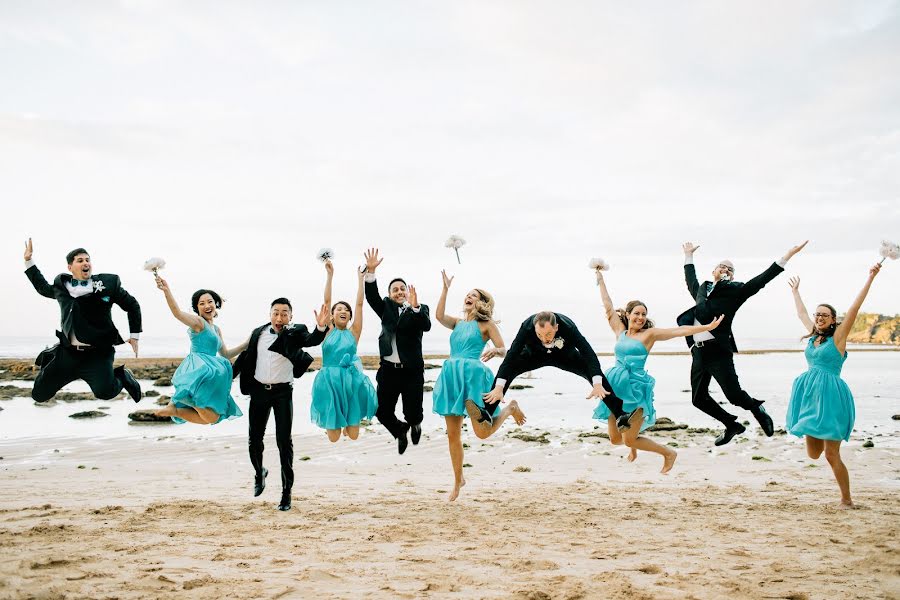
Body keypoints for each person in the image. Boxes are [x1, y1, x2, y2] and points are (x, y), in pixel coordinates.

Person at [677, 240, 808, 445]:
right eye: (722, 266)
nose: (725, 269)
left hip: (718, 351)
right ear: (714, 270)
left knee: (734, 396)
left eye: (729, 269)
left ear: (732, 276)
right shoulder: (702, 289)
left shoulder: (736, 292)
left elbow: (761, 280)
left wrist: (787, 255)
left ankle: (757, 409)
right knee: (698, 399)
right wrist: (688, 255)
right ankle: (731, 425)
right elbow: (690, 279)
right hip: (699, 352)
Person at [594, 269, 723, 473]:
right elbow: (608, 307)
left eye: (644, 314)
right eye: (636, 313)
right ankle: (635, 446)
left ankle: (668, 453)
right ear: (627, 315)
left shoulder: (650, 334)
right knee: (615, 439)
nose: (640, 317)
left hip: (635, 388)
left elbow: (678, 331)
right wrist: (600, 280)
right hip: (614, 386)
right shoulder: (620, 331)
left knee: (629, 440)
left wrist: (706, 327)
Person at [785, 263, 882, 508]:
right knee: (813, 453)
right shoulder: (812, 335)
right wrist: (796, 292)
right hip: (809, 397)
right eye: (817, 314)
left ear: (833, 320)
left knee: (830, 454)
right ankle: (844, 494)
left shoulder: (838, 338)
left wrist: (870, 277)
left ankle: (846, 500)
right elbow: (801, 313)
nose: (818, 318)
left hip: (831, 397)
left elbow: (854, 308)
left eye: (824, 315)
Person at [432, 270, 526, 501]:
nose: (469, 297)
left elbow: (506, 349)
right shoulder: (457, 322)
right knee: (452, 434)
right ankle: (458, 480)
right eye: (467, 295)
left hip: (473, 377)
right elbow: (438, 315)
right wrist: (444, 289)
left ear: (482, 303)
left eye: (474, 295)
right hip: (452, 376)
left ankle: (509, 409)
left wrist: (496, 350)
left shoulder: (486, 324)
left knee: (482, 433)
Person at [231, 299, 330, 511]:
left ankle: (286, 493)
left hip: (283, 393)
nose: (279, 317)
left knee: (284, 442)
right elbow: (246, 356)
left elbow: (312, 339)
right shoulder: (258, 332)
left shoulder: (295, 332)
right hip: (259, 391)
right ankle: (259, 472)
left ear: (290, 317)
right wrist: (226, 377)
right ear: (269, 314)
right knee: (254, 439)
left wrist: (321, 327)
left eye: (284, 313)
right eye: (276, 313)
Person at [23, 239, 142, 403]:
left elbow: (132, 305)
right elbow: (42, 287)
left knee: (105, 392)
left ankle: (122, 375)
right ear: (70, 267)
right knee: (39, 395)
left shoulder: (107, 285)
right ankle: (50, 361)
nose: (86, 263)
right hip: (68, 354)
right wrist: (29, 260)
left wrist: (134, 336)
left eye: (87, 260)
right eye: (80, 260)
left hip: (97, 355)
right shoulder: (61, 287)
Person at [480, 311, 626, 435]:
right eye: (539, 334)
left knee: (594, 373)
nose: (544, 339)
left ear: (557, 327)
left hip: (565, 356)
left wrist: (597, 383)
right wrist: (499, 387)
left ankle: (621, 415)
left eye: (548, 334)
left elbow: (588, 354)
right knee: (509, 370)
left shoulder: (568, 327)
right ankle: (487, 412)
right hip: (533, 355)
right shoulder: (526, 327)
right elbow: (511, 357)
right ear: (534, 329)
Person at [364, 248, 432, 454]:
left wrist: (416, 306)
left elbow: (426, 325)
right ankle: (399, 430)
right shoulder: (385, 308)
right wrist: (371, 272)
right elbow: (371, 296)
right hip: (388, 370)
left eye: (403, 288)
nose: (400, 291)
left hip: (412, 370)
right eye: (395, 290)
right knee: (382, 412)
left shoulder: (420, 309)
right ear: (390, 295)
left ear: (409, 292)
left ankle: (415, 424)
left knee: (413, 412)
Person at [154, 276, 244, 425]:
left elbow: (226, 354)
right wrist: (166, 291)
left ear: (216, 304)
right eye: (202, 303)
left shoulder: (216, 329)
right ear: (197, 308)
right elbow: (177, 313)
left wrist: (246, 344)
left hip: (211, 370)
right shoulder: (198, 323)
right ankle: (180, 403)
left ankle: (175, 409)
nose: (207, 305)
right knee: (210, 413)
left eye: (210, 302)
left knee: (212, 418)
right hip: (199, 368)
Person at [310, 260, 378, 442]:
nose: (344, 311)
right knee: (333, 438)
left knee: (354, 436)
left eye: (346, 310)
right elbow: (327, 301)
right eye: (339, 309)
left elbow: (359, 305)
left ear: (349, 316)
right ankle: (334, 425)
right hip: (329, 382)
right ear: (331, 315)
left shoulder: (354, 332)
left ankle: (348, 426)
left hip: (350, 383)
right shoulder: (328, 331)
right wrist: (330, 275)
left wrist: (360, 279)